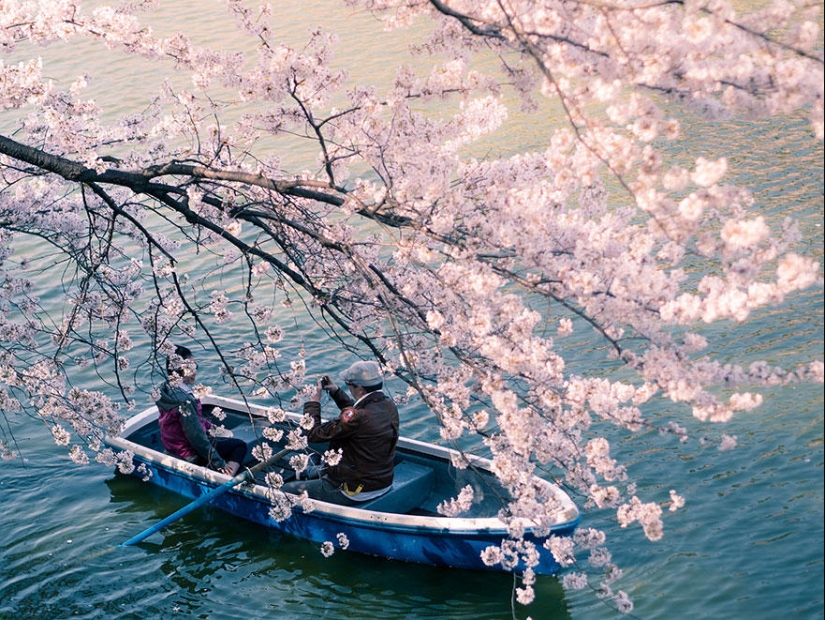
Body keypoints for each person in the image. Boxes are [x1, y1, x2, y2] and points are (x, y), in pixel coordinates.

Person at [282, 360, 399, 505]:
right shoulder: (388, 404)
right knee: (323, 467)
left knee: (286, 490)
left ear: (361, 389)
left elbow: (314, 434)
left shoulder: (357, 417)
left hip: (356, 491)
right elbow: (360, 412)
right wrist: (336, 391)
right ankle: (314, 471)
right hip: (382, 482)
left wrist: (314, 402)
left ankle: (313, 475)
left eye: (349, 384)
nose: (348, 387)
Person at [156, 345, 247, 476]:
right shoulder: (184, 399)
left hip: (172, 445)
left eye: (195, 367)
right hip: (189, 452)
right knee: (239, 446)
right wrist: (218, 462)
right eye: (191, 368)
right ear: (179, 369)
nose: (195, 371)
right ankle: (227, 476)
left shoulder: (166, 388)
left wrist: (211, 427)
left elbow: (189, 422)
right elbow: (196, 438)